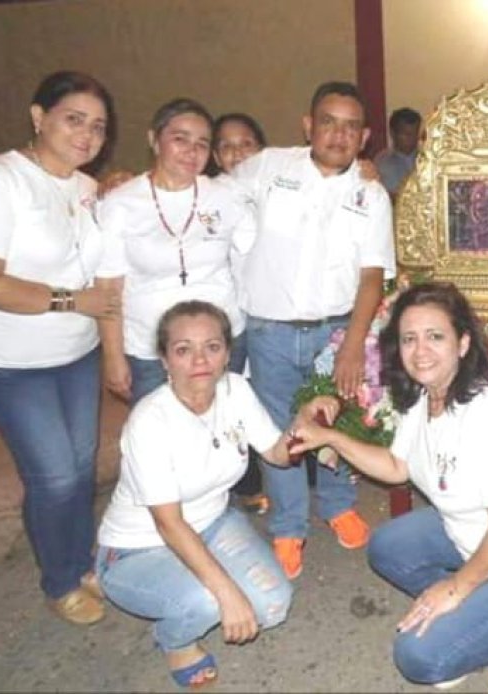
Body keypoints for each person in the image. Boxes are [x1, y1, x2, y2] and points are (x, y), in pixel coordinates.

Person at [289, 282, 488, 692]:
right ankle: (475, 613)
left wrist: (454, 588)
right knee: (386, 547)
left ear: (462, 343)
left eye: (435, 336)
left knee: (419, 658)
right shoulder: (426, 398)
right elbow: (396, 465)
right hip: (469, 537)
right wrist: (331, 438)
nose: (421, 351)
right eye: (409, 339)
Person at [96, 301, 310, 688]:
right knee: (210, 601)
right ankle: (174, 640)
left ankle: (199, 587)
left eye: (212, 347)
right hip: (137, 548)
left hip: (214, 524)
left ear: (228, 353)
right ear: (163, 359)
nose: (200, 359)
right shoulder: (150, 420)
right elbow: (168, 524)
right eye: (183, 349)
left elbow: (277, 454)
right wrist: (226, 591)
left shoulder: (236, 390)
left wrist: (307, 422)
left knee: (273, 607)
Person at [231, 81, 396, 581]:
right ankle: (287, 527)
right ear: (309, 125)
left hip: (335, 330)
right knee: (282, 430)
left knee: (334, 419)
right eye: (328, 121)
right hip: (270, 331)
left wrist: (351, 346)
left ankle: (338, 503)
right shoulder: (267, 168)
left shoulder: (371, 193)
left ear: (364, 136)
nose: (338, 134)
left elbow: (372, 276)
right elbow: (202, 190)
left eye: (350, 126)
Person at [0, 70, 120, 625]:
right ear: (39, 117)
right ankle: (60, 578)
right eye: (74, 119)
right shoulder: (2, 180)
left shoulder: (88, 189)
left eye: (97, 126)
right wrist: (72, 302)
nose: (86, 134)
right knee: (54, 475)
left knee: (81, 468)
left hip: (78, 355)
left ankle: (83, 559)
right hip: (15, 364)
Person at [96, 97, 256, 405]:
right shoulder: (122, 202)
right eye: (180, 139)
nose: (191, 151)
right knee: (161, 438)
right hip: (150, 346)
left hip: (221, 341)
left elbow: (260, 253)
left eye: (202, 143)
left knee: (223, 430)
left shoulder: (226, 196)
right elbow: (108, 287)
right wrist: (113, 356)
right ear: (154, 140)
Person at [209, 111, 270, 516]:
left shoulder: (278, 185)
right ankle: (238, 485)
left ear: (261, 148)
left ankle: (277, 476)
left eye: (245, 142)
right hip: (224, 317)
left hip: (268, 314)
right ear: (215, 154)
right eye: (226, 145)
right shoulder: (207, 192)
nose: (237, 153)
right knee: (224, 399)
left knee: (264, 400)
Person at [374, 106, 422, 198]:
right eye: (406, 134)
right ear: (393, 133)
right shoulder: (381, 163)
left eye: (415, 133)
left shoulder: (428, 159)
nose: (412, 138)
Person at [210, 112, 267, 181]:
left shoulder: (276, 181)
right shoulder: (211, 189)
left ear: (261, 150)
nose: (237, 152)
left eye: (246, 144)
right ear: (217, 158)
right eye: (227, 146)